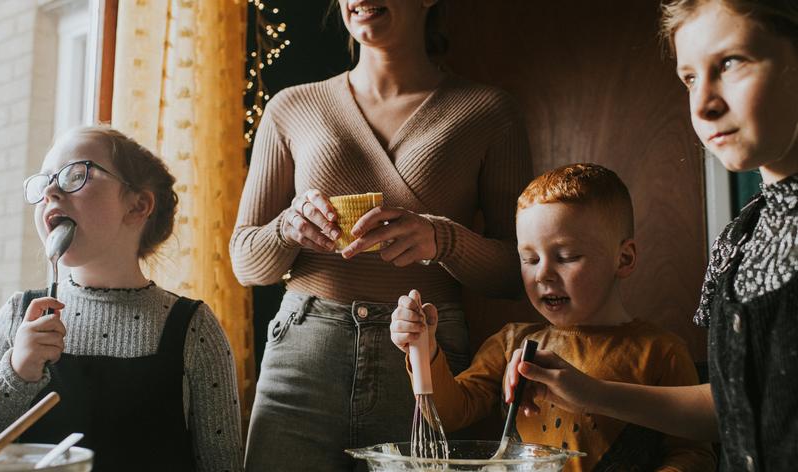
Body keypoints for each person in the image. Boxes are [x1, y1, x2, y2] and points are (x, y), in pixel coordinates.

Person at [230, 0, 531, 469]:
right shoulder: (289, 107)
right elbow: (245, 263)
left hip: (424, 352)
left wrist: (442, 240)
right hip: (304, 357)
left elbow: (520, 272)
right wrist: (287, 228)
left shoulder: (490, 112)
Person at [505, 1, 798, 471]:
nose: (703, 103)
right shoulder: (740, 239)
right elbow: (733, 407)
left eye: (731, 63)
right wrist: (591, 392)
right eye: (689, 78)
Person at [391, 163, 716, 471]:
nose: (543, 274)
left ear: (624, 258)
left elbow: (693, 454)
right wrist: (424, 348)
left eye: (566, 257)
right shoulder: (510, 343)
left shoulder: (661, 352)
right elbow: (448, 414)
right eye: (529, 259)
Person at [0, 126, 243, 472]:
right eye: (45, 180)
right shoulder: (19, 315)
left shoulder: (194, 328)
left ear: (138, 206)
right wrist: (17, 372)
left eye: (77, 175)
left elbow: (222, 464)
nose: (50, 190)